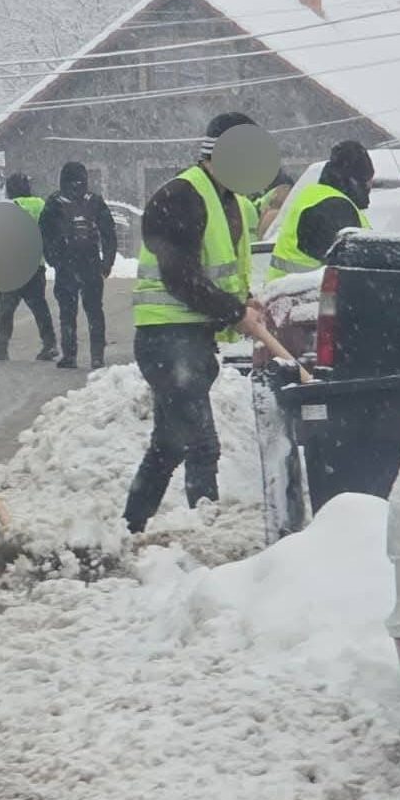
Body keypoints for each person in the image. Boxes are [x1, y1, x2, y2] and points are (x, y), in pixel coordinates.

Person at [123, 113, 266, 535]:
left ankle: (131, 527)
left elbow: (215, 269)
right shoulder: (179, 196)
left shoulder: (230, 201)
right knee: (202, 444)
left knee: (169, 444)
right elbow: (180, 276)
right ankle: (209, 536)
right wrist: (233, 312)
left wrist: (243, 301)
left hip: (191, 338)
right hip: (167, 339)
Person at [40, 162, 116, 369]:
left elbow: (44, 234)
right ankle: (97, 356)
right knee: (95, 311)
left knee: (67, 312)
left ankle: (70, 355)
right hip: (91, 262)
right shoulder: (94, 201)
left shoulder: (54, 202)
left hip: (66, 264)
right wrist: (107, 262)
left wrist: (53, 259)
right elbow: (109, 233)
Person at [267, 142, 373, 281]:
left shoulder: (315, 195)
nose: (370, 185)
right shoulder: (335, 207)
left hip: (285, 288)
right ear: (356, 180)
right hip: (307, 291)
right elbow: (353, 264)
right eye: (369, 179)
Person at [0, 172, 58, 362]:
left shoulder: (9, 208)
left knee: (6, 309)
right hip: (36, 265)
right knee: (39, 307)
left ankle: (1, 348)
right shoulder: (41, 205)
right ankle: (50, 343)